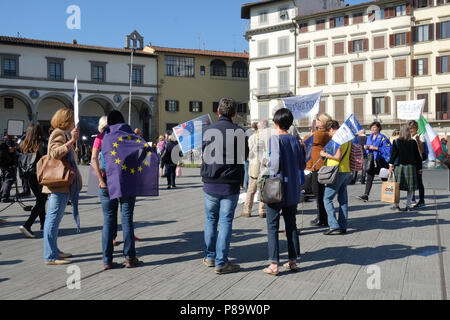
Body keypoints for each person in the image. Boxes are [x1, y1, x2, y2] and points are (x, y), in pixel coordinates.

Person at [201, 98, 248, 274]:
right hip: (230, 183)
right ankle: (222, 261)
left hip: (210, 181)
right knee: (226, 220)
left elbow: (203, 153)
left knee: (210, 220)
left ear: (218, 112)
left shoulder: (207, 130)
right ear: (235, 114)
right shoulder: (239, 132)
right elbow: (244, 155)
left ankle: (210, 256)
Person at [262, 108, 305, 276]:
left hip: (277, 189)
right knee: (291, 225)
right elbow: (302, 165)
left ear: (276, 122)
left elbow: (274, 165)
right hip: (293, 189)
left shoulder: (275, 139)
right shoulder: (295, 140)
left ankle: (274, 264)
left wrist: (265, 162)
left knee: (272, 226)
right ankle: (292, 261)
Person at [99, 110, 140, 269]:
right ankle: (129, 258)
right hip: (127, 181)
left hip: (106, 180)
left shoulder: (106, 137)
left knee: (108, 220)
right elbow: (141, 154)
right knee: (127, 218)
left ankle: (107, 260)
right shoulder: (130, 136)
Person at [42, 108, 82, 265]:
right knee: (52, 219)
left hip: (62, 184)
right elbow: (54, 153)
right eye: (72, 120)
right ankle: (50, 256)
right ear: (66, 120)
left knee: (55, 219)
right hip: (58, 184)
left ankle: (54, 250)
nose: (74, 123)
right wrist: (71, 141)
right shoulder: (59, 133)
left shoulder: (61, 133)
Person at [320, 120, 352, 235]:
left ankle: (333, 225)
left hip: (336, 171)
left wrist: (324, 154)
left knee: (327, 198)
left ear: (331, 129)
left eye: (328, 132)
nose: (329, 135)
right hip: (346, 170)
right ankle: (343, 225)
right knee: (343, 200)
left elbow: (337, 156)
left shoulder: (337, 138)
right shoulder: (347, 138)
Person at [18, 124, 48, 238]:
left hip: (29, 176)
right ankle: (27, 225)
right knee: (41, 201)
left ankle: (43, 225)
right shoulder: (41, 144)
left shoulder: (24, 145)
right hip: (40, 176)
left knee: (40, 200)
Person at [389, 125, 423, 211]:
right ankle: (408, 206)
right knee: (410, 188)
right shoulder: (413, 142)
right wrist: (420, 168)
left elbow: (393, 155)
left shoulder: (396, 141)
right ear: (408, 132)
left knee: (397, 187)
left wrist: (390, 165)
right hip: (411, 167)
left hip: (399, 167)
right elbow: (417, 156)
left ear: (401, 132)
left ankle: (397, 206)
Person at [307, 113, 332, 227]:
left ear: (323, 122)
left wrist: (310, 134)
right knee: (320, 193)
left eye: (318, 120)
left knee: (318, 193)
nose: (316, 121)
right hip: (319, 165)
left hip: (318, 166)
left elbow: (305, 140)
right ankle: (322, 216)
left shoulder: (320, 134)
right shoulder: (325, 133)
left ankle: (321, 218)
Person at [357, 121, 391, 202]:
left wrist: (377, 148)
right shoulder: (369, 137)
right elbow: (368, 148)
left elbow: (388, 149)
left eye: (375, 127)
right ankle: (366, 195)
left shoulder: (383, 137)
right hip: (372, 160)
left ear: (379, 128)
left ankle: (388, 195)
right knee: (369, 177)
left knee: (384, 178)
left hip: (381, 160)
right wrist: (366, 147)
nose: (373, 129)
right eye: (372, 127)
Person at [242, 121, 267, 218]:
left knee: (251, 190)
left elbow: (248, 153)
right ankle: (262, 210)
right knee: (263, 190)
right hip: (264, 167)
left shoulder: (251, 138)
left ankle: (247, 210)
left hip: (254, 167)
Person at [408, 120, 426, 208]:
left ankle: (422, 200)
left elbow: (422, 151)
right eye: (409, 128)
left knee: (419, 182)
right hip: (410, 162)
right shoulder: (408, 137)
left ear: (416, 128)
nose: (411, 130)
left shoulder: (420, 136)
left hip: (418, 162)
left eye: (412, 128)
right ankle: (412, 199)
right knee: (411, 181)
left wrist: (418, 140)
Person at [0, 135, 17, 203]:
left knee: (4, 180)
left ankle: (2, 195)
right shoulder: (9, 140)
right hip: (8, 164)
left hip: (3, 163)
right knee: (9, 180)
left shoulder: (3, 140)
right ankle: (5, 196)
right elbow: (11, 149)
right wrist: (15, 147)